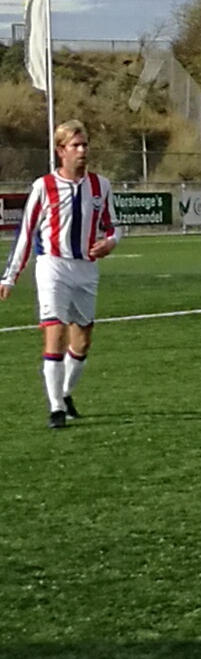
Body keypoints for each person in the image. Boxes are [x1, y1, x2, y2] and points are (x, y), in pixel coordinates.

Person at [1, 119, 120, 429]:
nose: (82, 151)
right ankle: (55, 409)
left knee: (81, 341)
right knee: (54, 333)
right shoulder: (44, 186)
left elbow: (114, 225)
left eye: (85, 145)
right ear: (60, 151)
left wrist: (111, 242)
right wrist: (9, 276)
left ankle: (65, 394)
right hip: (53, 265)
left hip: (86, 269)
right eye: (75, 146)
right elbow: (26, 233)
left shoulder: (100, 186)